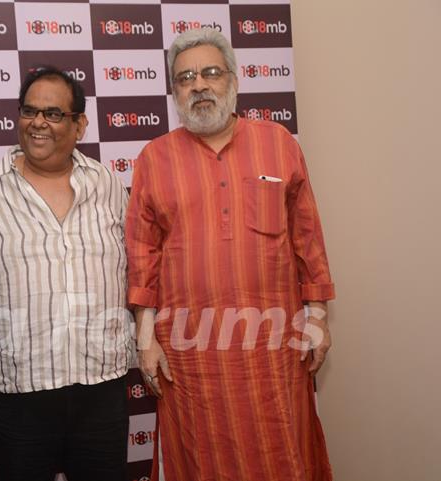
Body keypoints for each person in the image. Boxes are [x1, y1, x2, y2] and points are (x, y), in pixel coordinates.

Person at [125, 28, 335, 481]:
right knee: (202, 458)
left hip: (274, 347)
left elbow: (308, 238)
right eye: (185, 78)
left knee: (283, 453)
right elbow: (142, 256)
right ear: (174, 92)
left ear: (233, 80)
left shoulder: (278, 143)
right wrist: (146, 338)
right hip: (191, 354)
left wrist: (316, 316)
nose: (198, 85)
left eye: (210, 73)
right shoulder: (153, 158)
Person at [0, 66, 132, 481]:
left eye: (53, 114)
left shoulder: (108, 184)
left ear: (79, 124)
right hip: (17, 394)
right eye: (29, 111)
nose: (37, 123)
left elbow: (134, 270)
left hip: (101, 387)